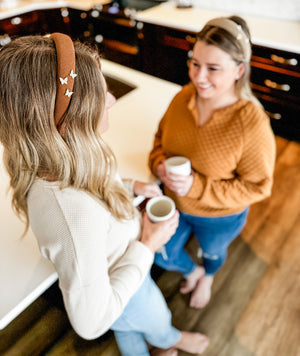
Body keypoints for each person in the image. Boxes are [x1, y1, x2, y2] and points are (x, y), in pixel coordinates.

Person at [0, 34, 209, 355]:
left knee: (126, 331)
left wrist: (128, 187)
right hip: (125, 286)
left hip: (120, 273)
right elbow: (93, 322)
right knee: (153, 316)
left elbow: (92, 186)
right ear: (70, 124)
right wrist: (147, 245)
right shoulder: (73, 216)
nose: (111, 100)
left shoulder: (66, 155)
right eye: (102, 96)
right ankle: (169, 339)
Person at [148, 16, 276, 309]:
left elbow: (258, 187)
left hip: (220, 216)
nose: (198, 76)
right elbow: (159, 139)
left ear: (238, 70)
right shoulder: (183, 97)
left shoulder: (252, 124)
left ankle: (207, 276)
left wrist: (196, 186)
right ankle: (193, 272)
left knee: (213, 252)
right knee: (160, 253)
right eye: (195, 63)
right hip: (175, 203)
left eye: (213, 68)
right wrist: (157, 165)